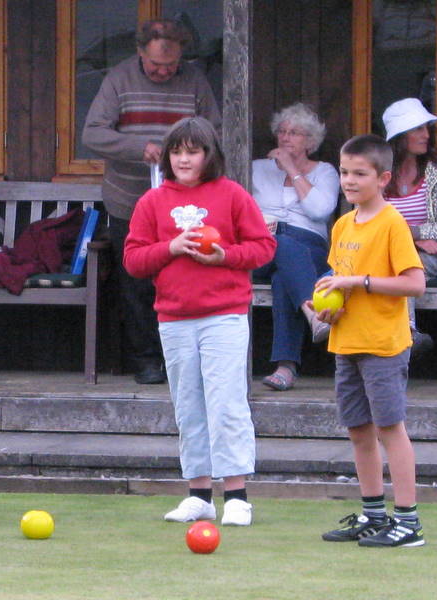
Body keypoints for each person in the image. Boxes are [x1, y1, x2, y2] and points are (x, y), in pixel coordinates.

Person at [123, 117, 275, 526]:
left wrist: (225, 256)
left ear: (209, 155)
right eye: (176, 152)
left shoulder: (232, 194)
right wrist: (171, 247)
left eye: (193, 151)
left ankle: (237, 496)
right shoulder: (152, 201)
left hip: (224, 314)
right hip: (174, 317)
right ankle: (199, 494)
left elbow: (263, 247)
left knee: (226, 403)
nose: (184, 159)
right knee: (188, 406)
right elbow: (133, 260)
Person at [83, 19, 221, 385]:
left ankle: (185, 361)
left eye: (171, 65)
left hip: (185, 204)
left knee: (185, 278)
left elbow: (216, 131)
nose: (163, 72)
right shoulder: (119, 79)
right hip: (129, 199)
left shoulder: (194, 80)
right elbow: (93, 134)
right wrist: (137, 147)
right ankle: (145, 360)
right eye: (156, 65)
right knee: (136, 283)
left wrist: (189, 153)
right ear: (140, 53)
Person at [310, 134, 426, 548]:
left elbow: (415, 284)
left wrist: (358, 282)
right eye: (344, 172)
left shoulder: (392, 223)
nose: (349, 180)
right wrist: (329, 306)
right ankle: (374, 515)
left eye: (360, 173)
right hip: (347, 342)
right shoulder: (343, 224)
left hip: (383, 344)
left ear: (383, 178)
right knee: (359, 430)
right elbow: (338, 282)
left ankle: (408, 522)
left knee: (390, 429)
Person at [252, 103, 340, 391]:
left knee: (283, 277)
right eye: (282, 131)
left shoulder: (324, 172)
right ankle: (313, 312)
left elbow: (320, 210)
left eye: (294, 133)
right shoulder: (257, 169)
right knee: (280, 244)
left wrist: (292, 169)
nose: (285, 137)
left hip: (309, 248)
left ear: (310, 141)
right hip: (263, 245)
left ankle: (285, 368)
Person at [382, 97, 437, 355]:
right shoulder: (380, 175)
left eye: (426, 128)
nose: (426, 135)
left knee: (403, 265)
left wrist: (408, 234)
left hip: (434, 255)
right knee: (386, 264)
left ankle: (406, 333)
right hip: (387, 252)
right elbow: (368, 223)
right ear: (400, 136)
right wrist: (412, 237)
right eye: (418, 129)